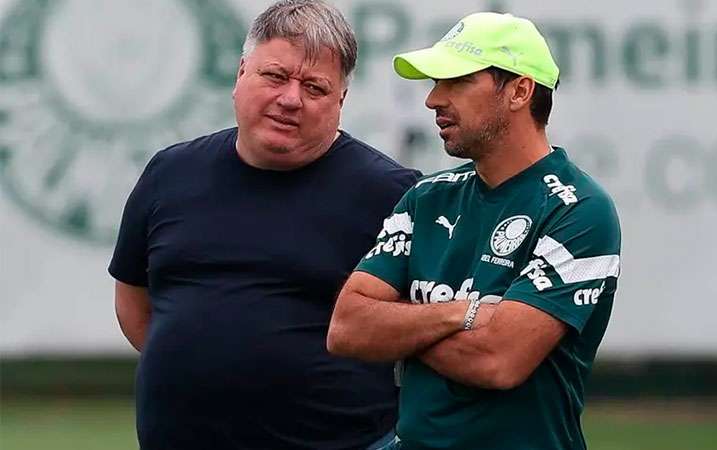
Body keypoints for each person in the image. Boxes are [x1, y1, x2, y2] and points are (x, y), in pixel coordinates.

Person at [109, 1, 419, 449]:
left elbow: (421, 322)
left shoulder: (392, 193)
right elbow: (133, 300)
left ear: (341, 100)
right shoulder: (170, 173)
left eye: (314, 87)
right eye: (275, 76)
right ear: (240, 74)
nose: (291, 99)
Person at [327, 11, 621, 450]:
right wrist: (459, 314)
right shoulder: (426, 197)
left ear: (520, 91)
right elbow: (347, 329)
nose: (433, 99)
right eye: (434, 83)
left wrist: (397, 330)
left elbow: (498, 361)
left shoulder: (580, 210)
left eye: (457, 81)